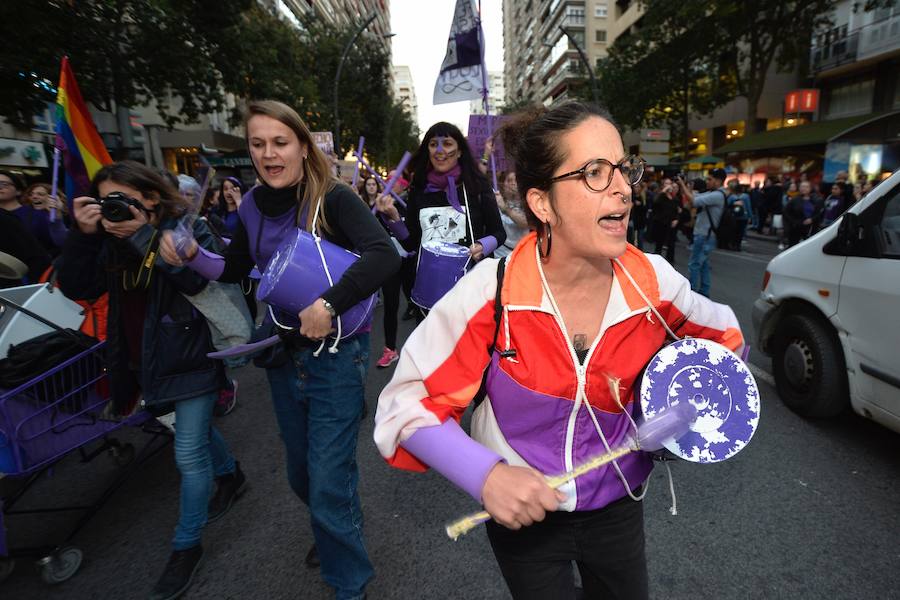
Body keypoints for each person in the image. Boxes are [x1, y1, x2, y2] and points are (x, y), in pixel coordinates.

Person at [373, 101, 744, 600]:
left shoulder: (655, 283)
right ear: (543, 204)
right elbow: (405, 403)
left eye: (623, 169)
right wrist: (485, 477)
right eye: (595, 172)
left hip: (619, 507)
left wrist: (672, 413)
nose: (623, 189)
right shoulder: (493, 292)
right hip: (526, 524)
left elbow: (727, 344)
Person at [160, 99, 399, 600]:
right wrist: (192, 254)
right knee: (301, 472)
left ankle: (348, 583)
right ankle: (332, 530)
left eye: (280, 142)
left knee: (330, 480)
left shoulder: (331, 197)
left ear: (301, 146)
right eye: (258, 143)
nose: (269, 153)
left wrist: (329, 303)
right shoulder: (248, 204)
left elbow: (383, 254)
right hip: (283, 353)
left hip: (336, 353)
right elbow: (232, 267)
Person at [55, 161, 245, 600]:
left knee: (187, 453)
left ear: (152, 197)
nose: (115, 208)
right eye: (107, 201)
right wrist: (82, 236)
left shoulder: (187, 228)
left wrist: (143, 235)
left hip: (189, 353)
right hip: (139, 357)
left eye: (123, 198)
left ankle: (185, 548)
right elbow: (77, 286)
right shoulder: (106, 237)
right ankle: (232, 475)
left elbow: (198, 283)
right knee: (187, 434)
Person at [374, 122, 505, 322]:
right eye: (434, 144)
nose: (440, 151)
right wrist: (393, 219)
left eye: (448, 144)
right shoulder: (419, 190)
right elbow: (412, 244)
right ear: (428, 150)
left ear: (460, 151)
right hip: (429, 296)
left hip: (472, 294)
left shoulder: (476, 186)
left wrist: (481, 246)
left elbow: (498, 233)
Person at [358, 174, 405, 368]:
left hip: (390, 260)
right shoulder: (359, 204)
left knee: (392, 305)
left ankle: (390, 349)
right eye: (367, 184)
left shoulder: (386, 204)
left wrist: (388, 213)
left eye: (373, 184)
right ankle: (358, 348)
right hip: (368, 260)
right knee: (362, 304)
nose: (370, 187)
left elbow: (400, 230)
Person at [680, 168, 726, 297]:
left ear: (718, 181)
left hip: (705, 236)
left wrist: (682, 185)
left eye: (710, 179)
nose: (707, 181)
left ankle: (692, 293)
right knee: (703, 265)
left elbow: (693, 201)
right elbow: (694, 197)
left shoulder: (717, 195)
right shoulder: (714, 193)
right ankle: (704, 292)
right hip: (705, 235)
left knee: (694, 264)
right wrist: (687, 186)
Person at [1, 172, 68, 256]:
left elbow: (61, 243)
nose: (34, 197)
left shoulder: (38, 215)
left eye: (3, 184)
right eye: (31, 194)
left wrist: (57, 219)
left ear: (18, 191)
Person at [494, 170, 529, 258]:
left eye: (516, 181)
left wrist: (505, 209)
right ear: (503, 185)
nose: (513, 184)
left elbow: (525, 223)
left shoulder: (528, 203)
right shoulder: (497, 199)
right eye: (509, 180)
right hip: (500, 252)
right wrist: (485, 157)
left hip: (522, 251)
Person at [649, 178, 681, 265]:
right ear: (663, 185)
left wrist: (676, 219)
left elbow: (677, 211)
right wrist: (663, 191)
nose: (668, 185)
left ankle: (669, 262)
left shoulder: (674, 198)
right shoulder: (661, 196)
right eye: (666, 184)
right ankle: (657, 262)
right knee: (659, 244)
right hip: (660, 223)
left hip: (670, 224)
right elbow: (655, 203)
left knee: (671, 244)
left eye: (669, 183)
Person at [783, 181, 823, 247]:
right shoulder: (795, 199)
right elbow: (786, 212)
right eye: (802, 186)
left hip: (810, 229)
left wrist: (812, 219)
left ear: (810, 189)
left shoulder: (815, 200)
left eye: (806, 187)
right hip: (796, 228)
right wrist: (794, 222)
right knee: (793, 247)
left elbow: (818, 213)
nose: (804, 188)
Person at [726, 180, 749, 250]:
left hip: (734, 217)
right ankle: (737, 245)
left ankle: (733, 244)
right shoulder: (745, 196)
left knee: (734, 231)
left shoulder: (731, 197)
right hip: (743, 216)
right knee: (740, 232)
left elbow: (726, 205)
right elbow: (748, 207)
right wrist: (750, 216)